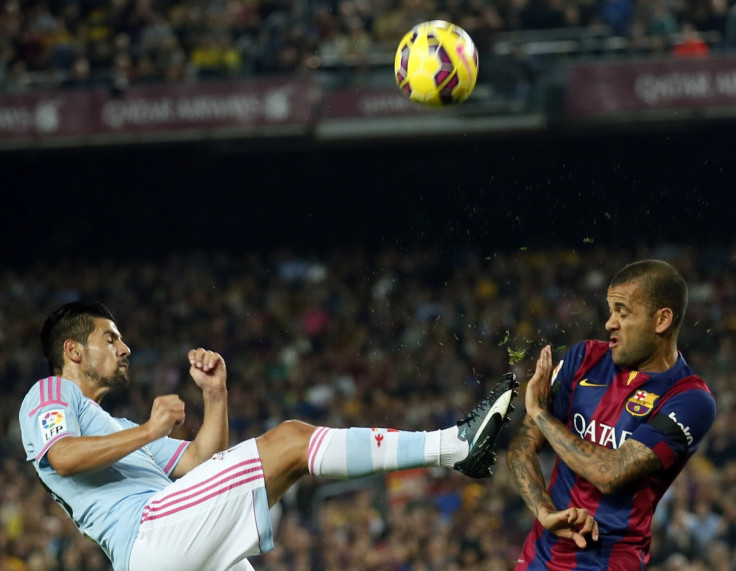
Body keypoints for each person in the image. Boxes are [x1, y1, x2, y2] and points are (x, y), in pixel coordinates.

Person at [19, 301, 518, 571]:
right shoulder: (48, 395)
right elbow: (61, 457)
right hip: (149, 538)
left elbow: (199, 462)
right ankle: (454, 446)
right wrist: (151, 429)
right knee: (291, 441)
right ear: (74, 351)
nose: (125, 348)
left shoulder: (121, 430)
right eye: (111, 337)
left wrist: (216, 396)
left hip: (172, 541)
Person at [507, 259, 717, 569]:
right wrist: (544, 511)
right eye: (610, 311)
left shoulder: (690, 399)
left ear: (661, 320)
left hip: (609, 560)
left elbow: (611, 474)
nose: (609, 323)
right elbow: (521, 448)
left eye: (623, 312)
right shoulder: (584, 358)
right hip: (541, 553)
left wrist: (540, 413)